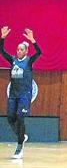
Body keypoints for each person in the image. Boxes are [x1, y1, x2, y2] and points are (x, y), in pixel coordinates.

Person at [0, 26, 41, 159]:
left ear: (26, 51)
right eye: (17, 49)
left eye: (21, 49)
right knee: (10, 118)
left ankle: (19, 147)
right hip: (13, 95)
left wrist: (33, 40)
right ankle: (22, 137)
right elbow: (2, 51)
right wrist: (3, 37)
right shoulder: (13, 60)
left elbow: (39, 52)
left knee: (20, 118)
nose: (18, 51)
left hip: (24, 95)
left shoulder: (29, 61)